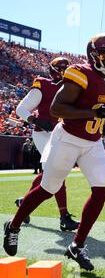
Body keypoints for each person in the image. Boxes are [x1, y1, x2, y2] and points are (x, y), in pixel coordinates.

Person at [3, 33, 105, 271]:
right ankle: (13, 225)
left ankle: (76, 247)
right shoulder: (80, 73)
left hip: (92, 142)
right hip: (67, 139)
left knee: (102, 191)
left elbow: (97, 108)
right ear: (93, 55)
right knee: (48, 189)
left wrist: (102, 121)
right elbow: (58, 108)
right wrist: (95, 114)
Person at [14, 57, 79, 231]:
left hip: (61, 134)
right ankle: (64, 217)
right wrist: (35, 120)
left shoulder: (72, 88)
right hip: (44, 134)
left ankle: (24, 202)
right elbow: (21, 108)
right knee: (57, 173)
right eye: (63, 69)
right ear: (54, 71)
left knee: (52, 174)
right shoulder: (44, 85)